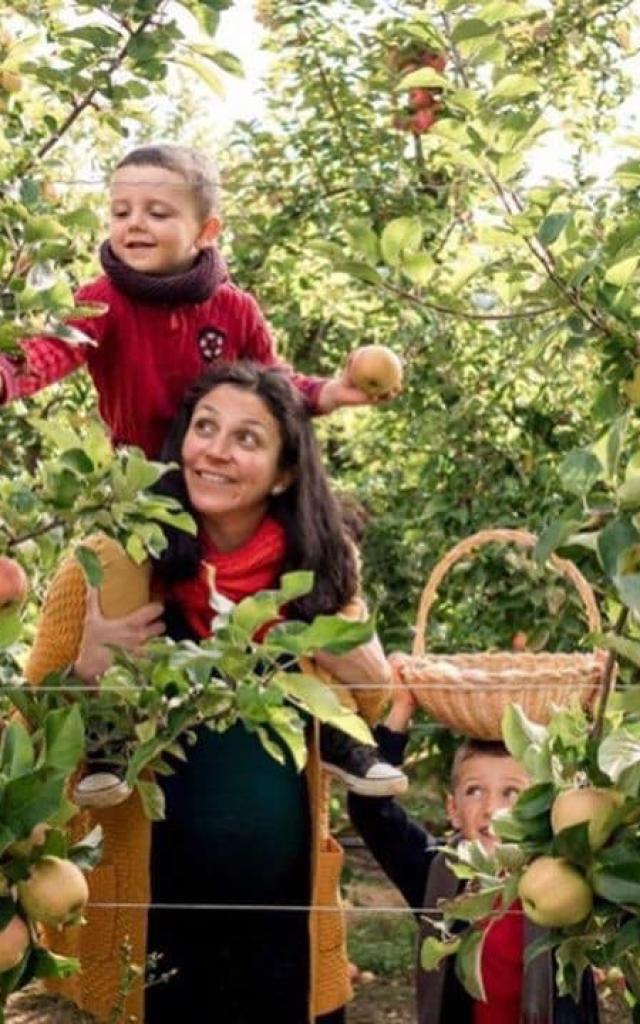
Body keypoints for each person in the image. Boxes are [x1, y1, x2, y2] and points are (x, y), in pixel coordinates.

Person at [24, 363, 396, 1024]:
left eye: (248, 438)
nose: (217, 451)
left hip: (284, 923)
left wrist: (370, 670)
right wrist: (81, 674)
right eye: (205, 428)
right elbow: (24, 740)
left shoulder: (318, 564)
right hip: (150, 916)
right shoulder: (109, 564)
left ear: (284, 472)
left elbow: (368, 719)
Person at [0, 143, 387, 458]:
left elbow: (274, 384)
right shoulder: (103, 299)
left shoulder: (235, 309)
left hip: (220, 472)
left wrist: (330, 393)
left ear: (206, 231)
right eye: (121, 212)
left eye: (157, 213)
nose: (134, 223)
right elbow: (49, 350)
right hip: (139, 481)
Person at [348, 671, 600, 1024]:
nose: (492, 809)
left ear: (541, 806)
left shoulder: (568, 873)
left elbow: (597, 809)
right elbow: (369, 809)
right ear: (452, 809)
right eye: (474, 791)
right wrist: (401, 710)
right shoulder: (438, 876)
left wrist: (593, 708)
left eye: (512, 792)